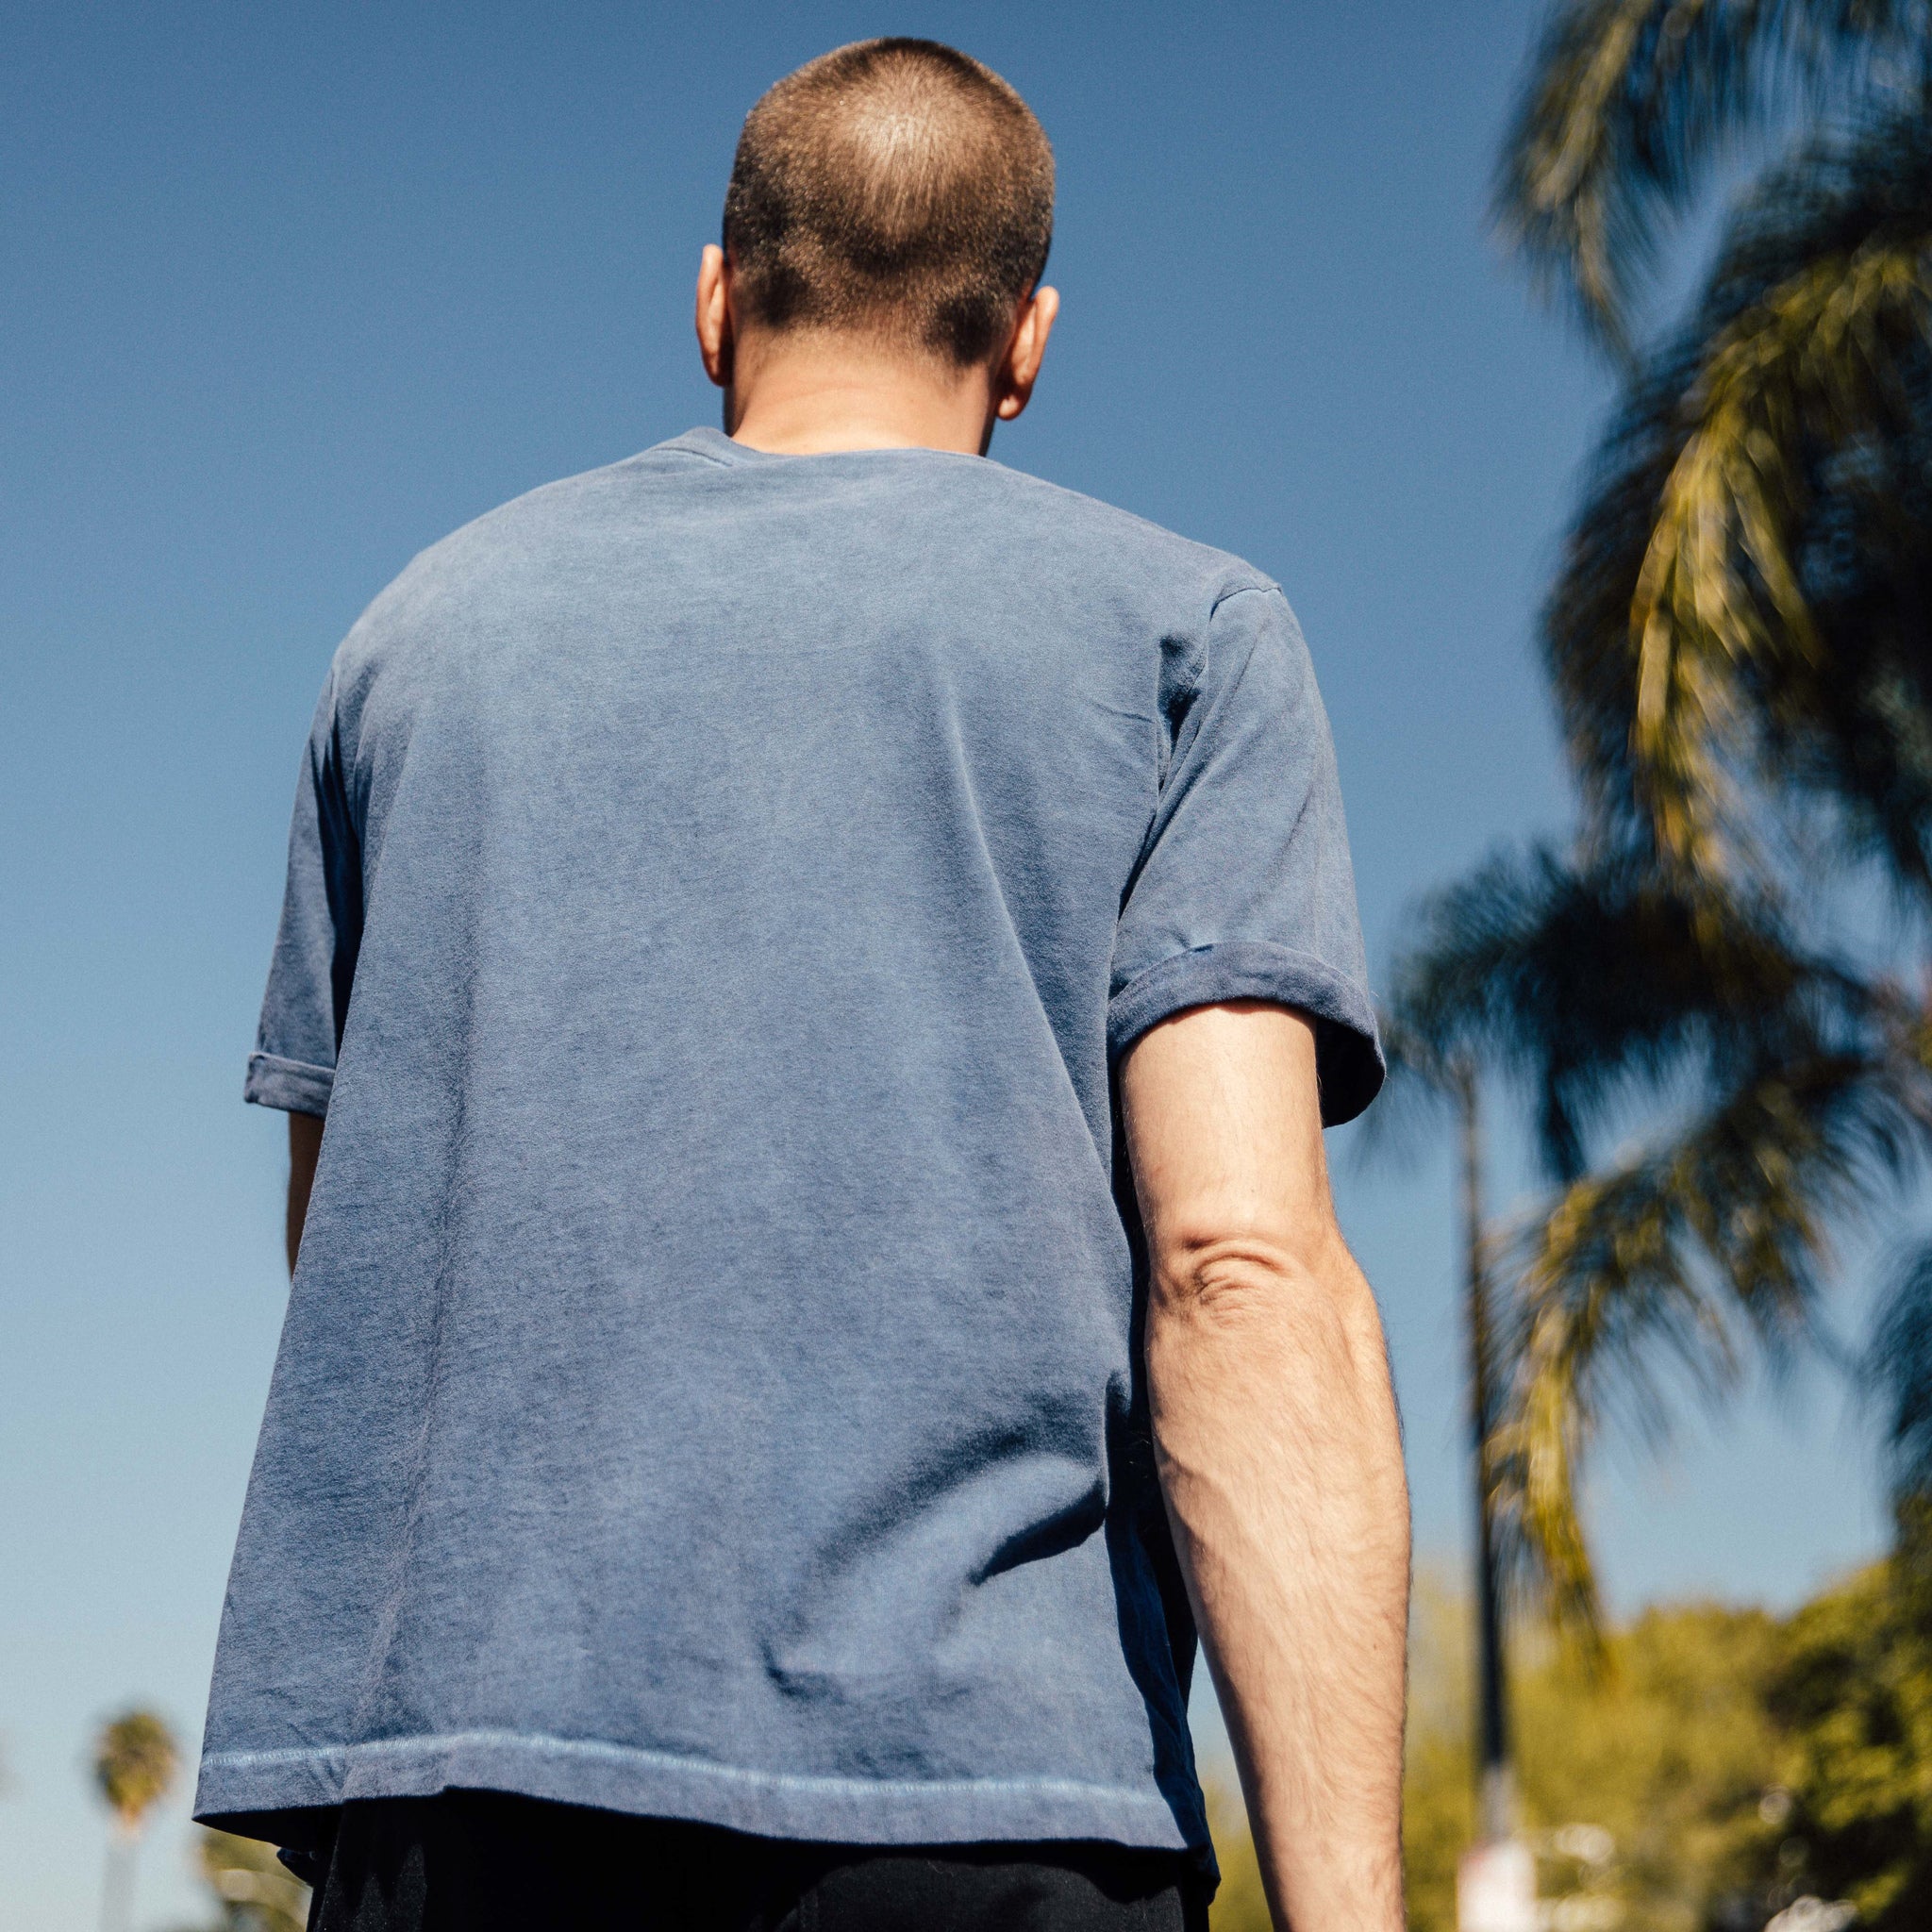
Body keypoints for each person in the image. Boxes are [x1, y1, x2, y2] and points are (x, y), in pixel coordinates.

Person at [195, 37, 1409, 1932]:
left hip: (461, 1796)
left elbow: (339, 1228)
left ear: (712, 301)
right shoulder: (1185, 633)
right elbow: (1233, 1265)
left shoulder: (414, 640)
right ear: (1025, 341)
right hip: (984, 1801)